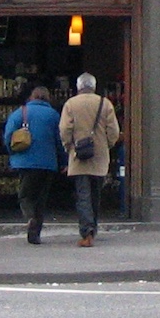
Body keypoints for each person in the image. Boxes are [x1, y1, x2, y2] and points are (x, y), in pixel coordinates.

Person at [59, 72, 121, 247]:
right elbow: (114, 131)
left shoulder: (71, 104)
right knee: (96, 194)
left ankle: (87, 231)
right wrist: (106, 145)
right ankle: (93, 227)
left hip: (78, 155)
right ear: (93, 86)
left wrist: (69, 147)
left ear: (78, 87)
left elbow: (64, 129)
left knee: (83, 194)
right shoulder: (105, 103)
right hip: (100, 156)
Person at [3, 85, 66, 245]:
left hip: (25, 162)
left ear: (32, 97)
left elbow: (8, 135)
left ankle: (30, 218)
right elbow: (60, 141)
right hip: (48, 163)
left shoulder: (20, 112)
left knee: (25, 195)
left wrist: (13, 153)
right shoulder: (53, 115)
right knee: (41, 199)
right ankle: (35, 235)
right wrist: (63, 161)